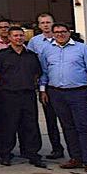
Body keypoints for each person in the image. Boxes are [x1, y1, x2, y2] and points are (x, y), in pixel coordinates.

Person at [38, 22, 87, 174]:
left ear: (69, 32)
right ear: (53, 34)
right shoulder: (47, 50)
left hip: (78, 93)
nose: (60, 34)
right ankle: (75, 157)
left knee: (83, 126)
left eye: (63, 31)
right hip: (56, 93)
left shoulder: (82, 48)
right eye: (57, 32)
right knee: (67, 126)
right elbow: (44, 72)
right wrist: (43, 90)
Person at [0, 27, 47, 168]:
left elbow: (36, 74)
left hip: (27, 95)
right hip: (8, 95)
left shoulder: (31, 56)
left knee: (30, 125)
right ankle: (5, 153)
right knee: (8, 125)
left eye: (21, 35)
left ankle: (32, 153)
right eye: (15, 35)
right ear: (9, 38)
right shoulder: (1, 55)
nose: (19, 38)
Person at [27, 12, 65, 159]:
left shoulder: (62, 39)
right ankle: (57, 148)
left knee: (67, 119)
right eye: (42, 23)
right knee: (50, 119)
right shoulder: (34, 42)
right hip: (45, 85)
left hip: (62, 84)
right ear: (39, 25)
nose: (45, 25)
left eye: (48, 22)